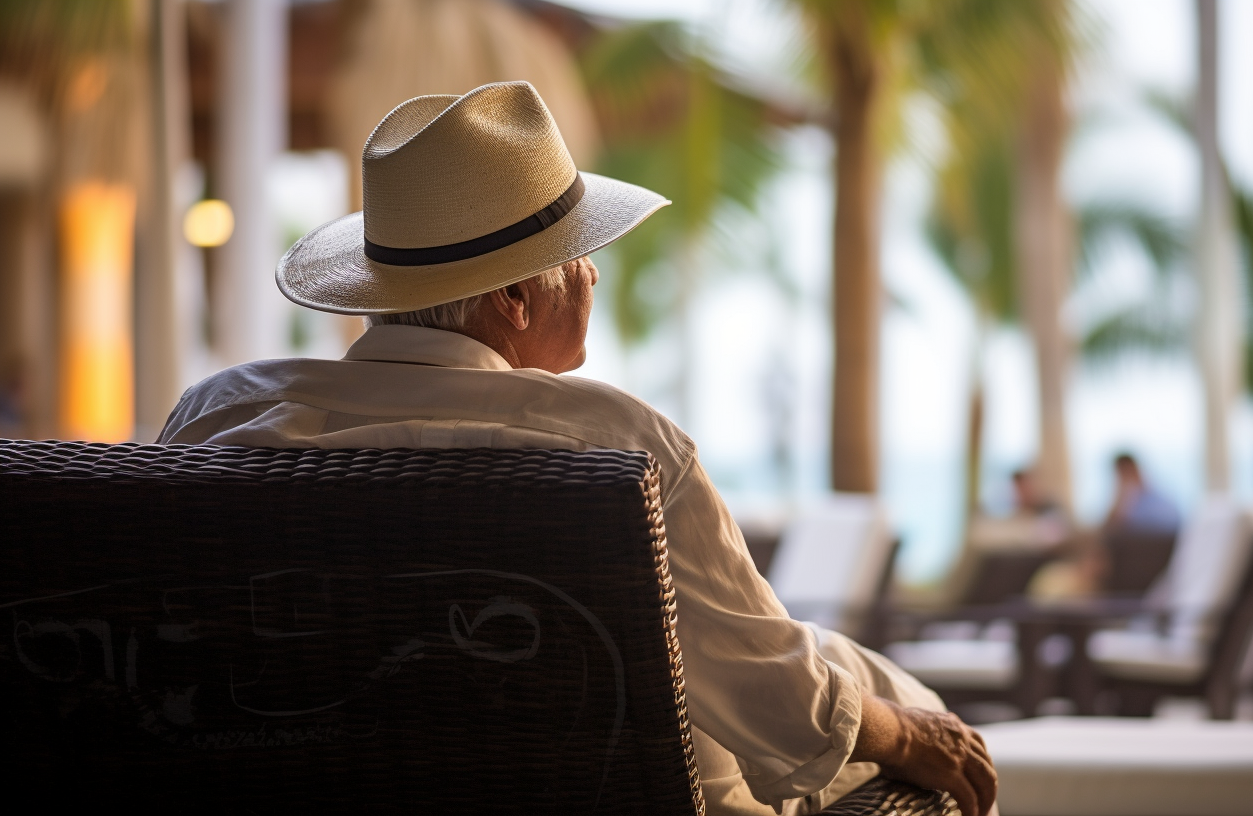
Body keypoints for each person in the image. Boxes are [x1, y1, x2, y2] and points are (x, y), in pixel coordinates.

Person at [158, 82, 996, 816]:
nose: (594, 276)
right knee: (916, 729)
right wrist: (905, 730)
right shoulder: (613, 445)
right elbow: (781, 704)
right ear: (519, 297)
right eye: (579, 255)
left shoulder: (218, 417)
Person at [1104, 453, 1180, 536]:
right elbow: (1107, 531)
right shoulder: (1123, 505)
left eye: (1128, 471)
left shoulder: (1160, 503)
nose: (1127, 478)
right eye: (1122, 474)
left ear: (1136, 470)